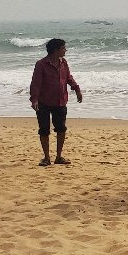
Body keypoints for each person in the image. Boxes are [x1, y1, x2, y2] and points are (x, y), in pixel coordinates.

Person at [30, 38, 82, 166]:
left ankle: (59, 157)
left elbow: (68, 77)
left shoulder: (63, 62)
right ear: (55, 50)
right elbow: (36, 83)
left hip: (60, 101)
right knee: (44, 130)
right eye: (63, 48)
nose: (66, 50)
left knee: (61, 129)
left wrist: (76, 89)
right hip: (43, 102)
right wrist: (34, 99)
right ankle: (46, 158)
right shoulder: (41, 64)